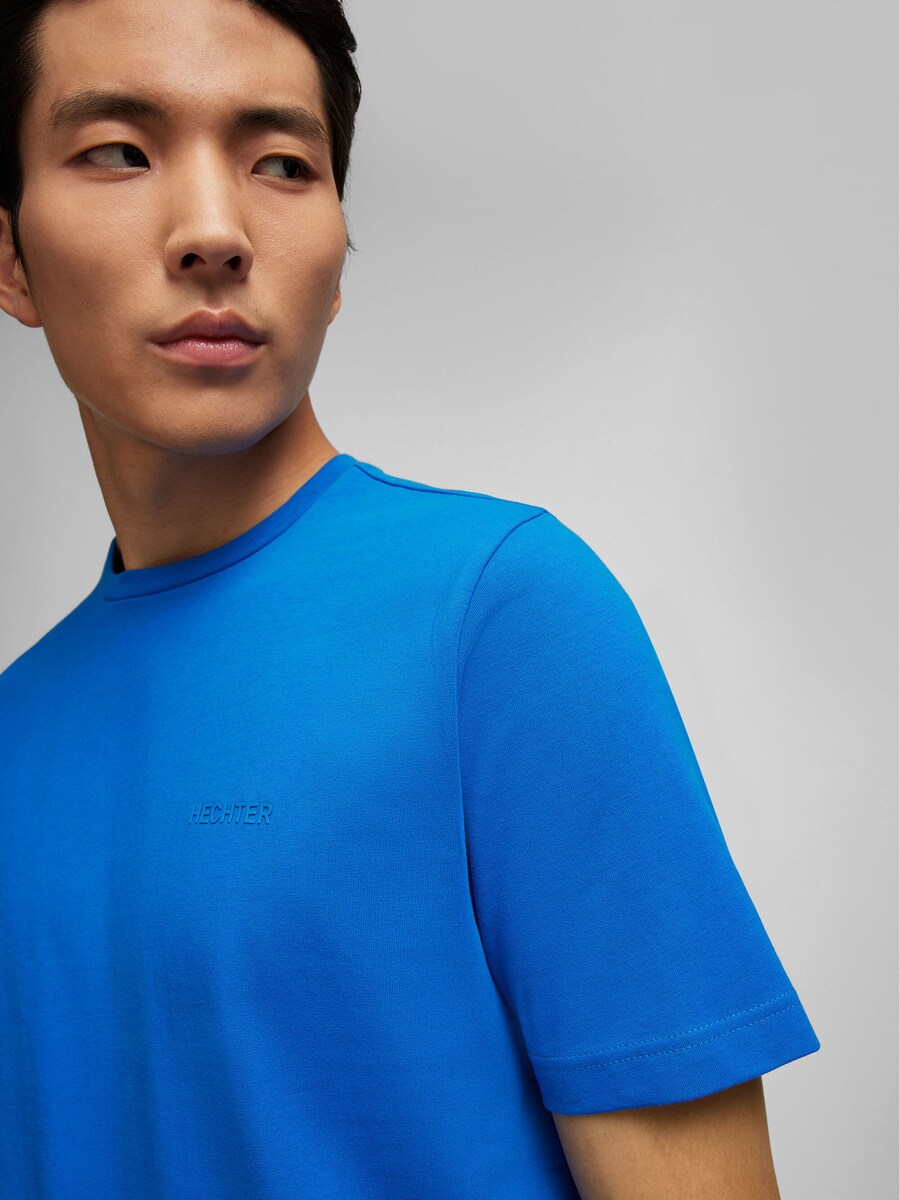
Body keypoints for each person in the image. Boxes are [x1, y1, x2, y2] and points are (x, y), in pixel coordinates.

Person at [0, 0, 820, 1196]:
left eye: (283, 164)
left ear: (336, 255)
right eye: (120, 150)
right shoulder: (17, 726)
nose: (214, 231)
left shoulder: (502, 619)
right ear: (11, 260)